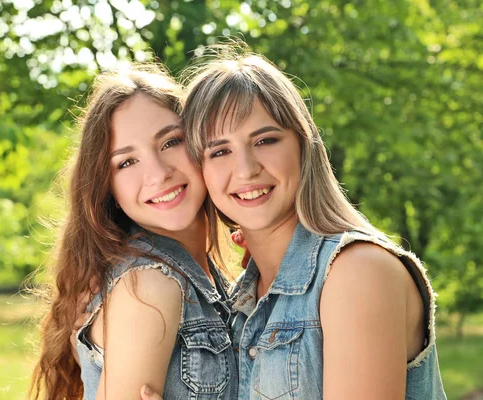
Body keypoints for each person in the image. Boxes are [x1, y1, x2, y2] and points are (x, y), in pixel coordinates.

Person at [141, 45, 446, 399]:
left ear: (304, 145)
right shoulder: (242, 300)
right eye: (220, 151)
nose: (246, 169)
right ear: (201, 170)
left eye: (265, 140)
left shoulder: (358, 271)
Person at [28, 65, 238, 400]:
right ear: (107, 187)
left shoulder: (210, 279)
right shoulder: (149, 286)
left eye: (170, 142)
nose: (158, 174)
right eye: (126, 162)